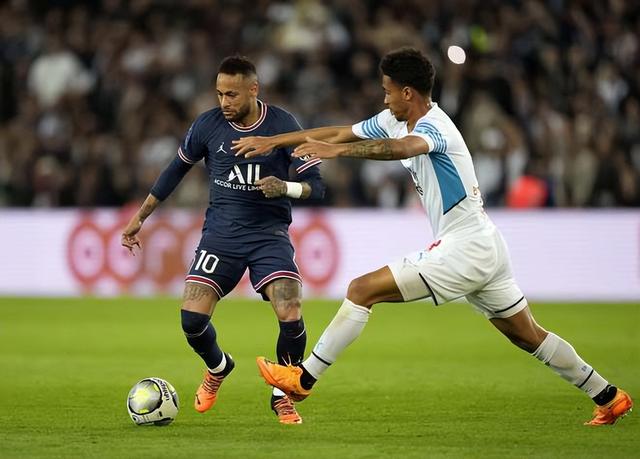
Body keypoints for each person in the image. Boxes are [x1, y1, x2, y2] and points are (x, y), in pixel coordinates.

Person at [232, 47, 633, 426]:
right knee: (529, 336)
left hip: (467, 246)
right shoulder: (393, 118)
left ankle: (304, 379)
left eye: (388, 91)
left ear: (408, 92)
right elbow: (340, 132)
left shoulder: (435, 127)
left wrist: (338, 153)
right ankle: (608, 396)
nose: (384, 99)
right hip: (483, 243)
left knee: (361, 290)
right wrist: (274, 141)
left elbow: (401, 149)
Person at [121, 55, 325, 425]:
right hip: (220, 236)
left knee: (290, 310)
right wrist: (140, 216)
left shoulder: (283, 126)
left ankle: (283, 394)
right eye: (219, 94)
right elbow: (175, 170)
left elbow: (318, 186)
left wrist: (286, 187)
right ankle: (218, 366)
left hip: (268, 236)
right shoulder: (207, 125)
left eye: (232, 94)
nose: (224, 102)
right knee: (190, 320)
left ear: (253, 89)